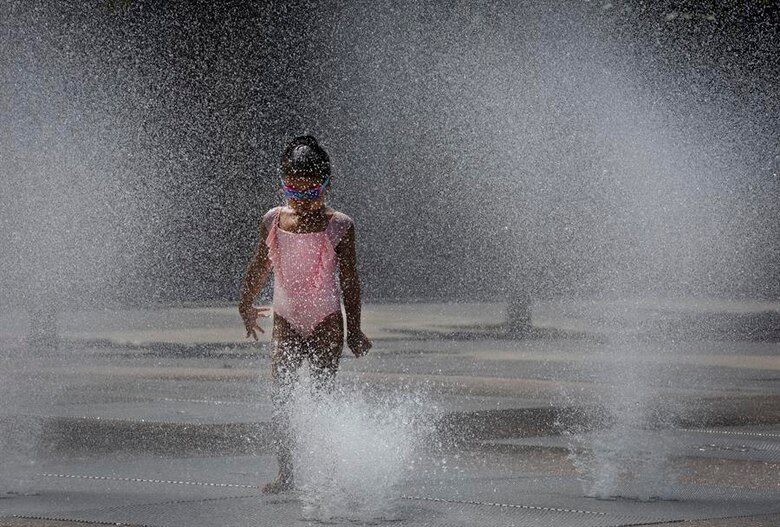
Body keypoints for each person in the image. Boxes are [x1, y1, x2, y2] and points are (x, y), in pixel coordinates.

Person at [239, 135, 372, 494]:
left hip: (326, 320)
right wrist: (244, 303)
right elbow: (259, 265)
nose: (302, 200)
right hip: (286, 318)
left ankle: (328, 473)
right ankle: (287, 474)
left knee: (320, 397)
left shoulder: (340, 225)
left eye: (310, 190)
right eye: (293, 190)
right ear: (282, 184)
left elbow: (350, 282)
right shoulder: (273, 220)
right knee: (281, 396)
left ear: (326, 186)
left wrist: (355, 330)